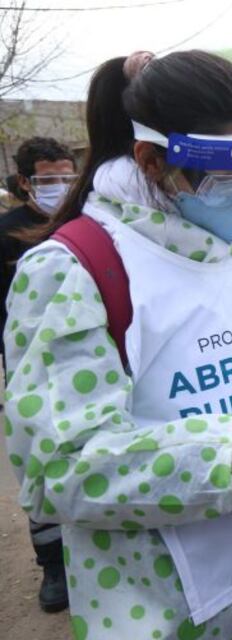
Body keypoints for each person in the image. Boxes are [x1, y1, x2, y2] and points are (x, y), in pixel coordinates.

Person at [1, 50, 232, 638]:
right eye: (226, 178)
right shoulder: (73, 270)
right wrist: (227, 453)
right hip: (168, 608)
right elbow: (56, 468)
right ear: (151, 161)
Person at [0, 136, 77, 613]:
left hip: (81, 361)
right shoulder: (7, 231)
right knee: (39, 459)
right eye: (50, 180)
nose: (61, 187)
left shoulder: (80, 220)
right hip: (28, 368)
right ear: (26, 182)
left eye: (68, 177)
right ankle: (52, 562)